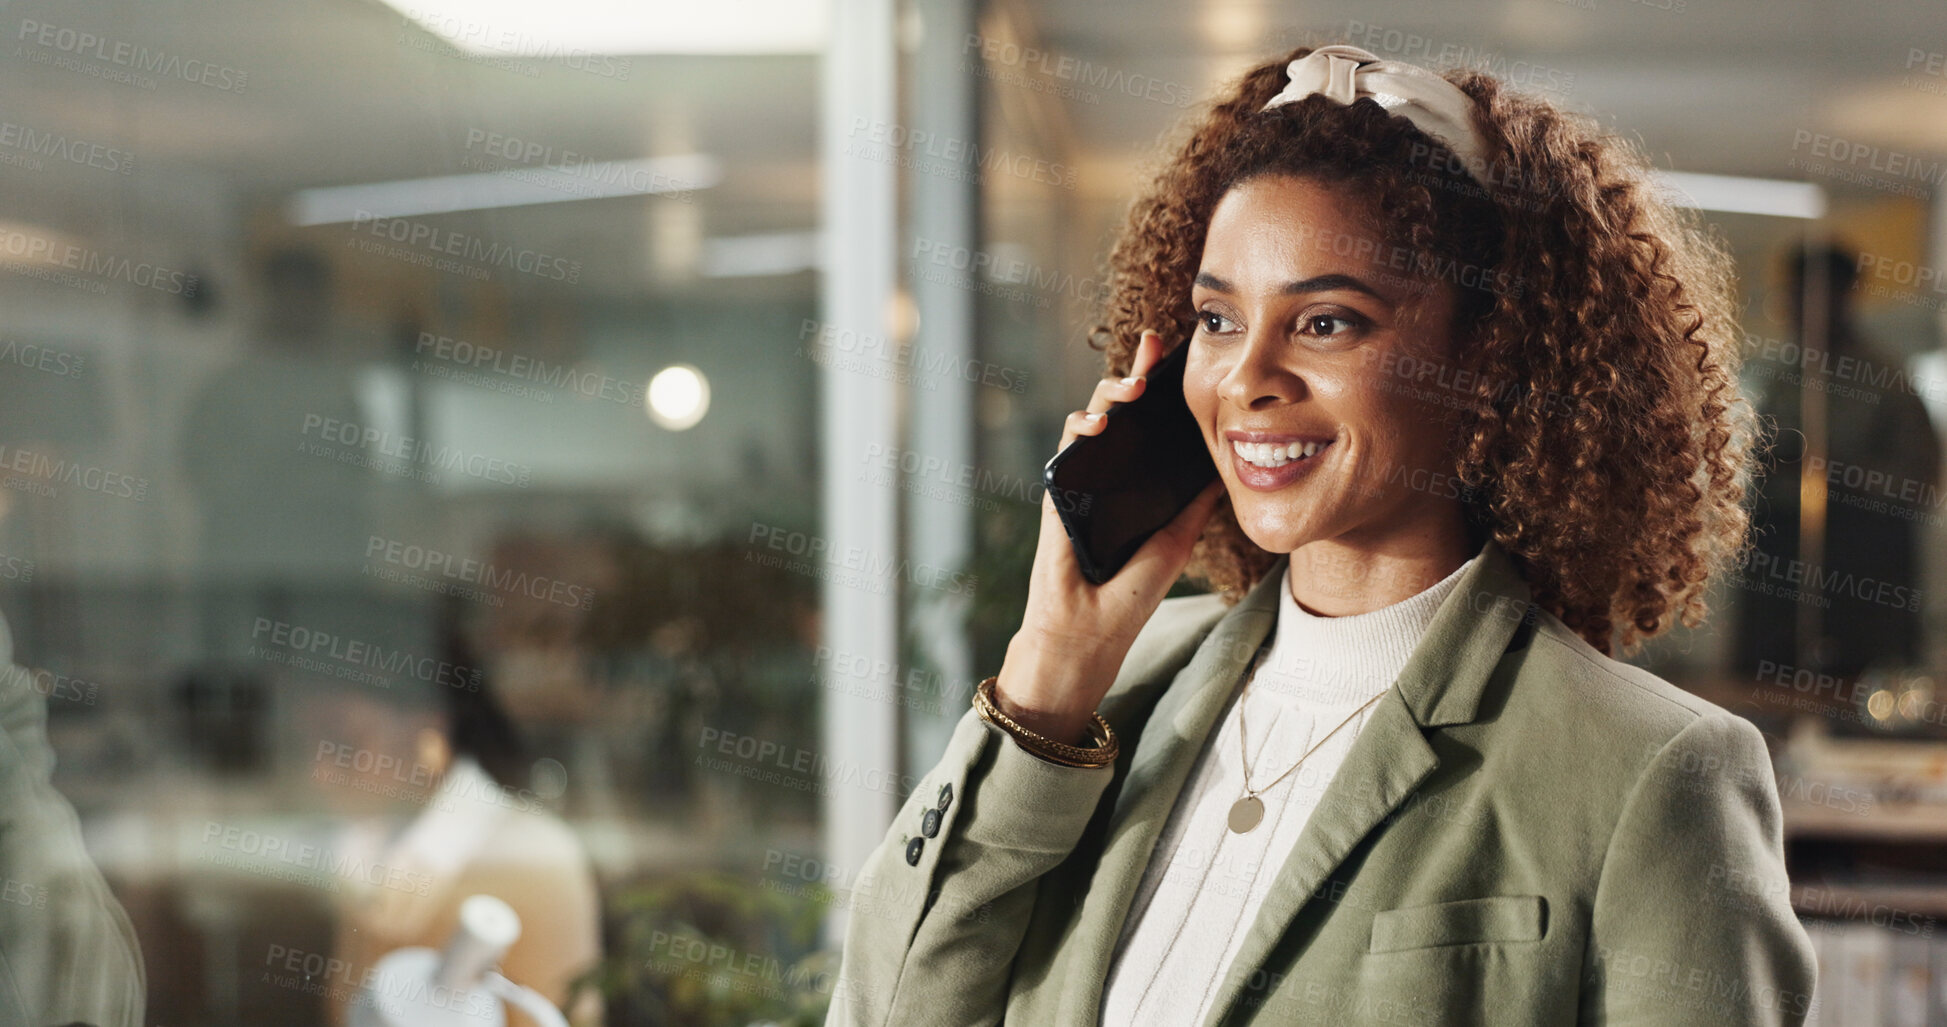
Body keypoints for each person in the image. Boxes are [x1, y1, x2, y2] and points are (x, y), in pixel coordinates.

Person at [828, 43, 1817, 1025]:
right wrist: (1052, 665)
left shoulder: (1652, 771)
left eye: (1327, 322)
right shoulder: (1100, 701)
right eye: (1217, 319)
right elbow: (887, 1006)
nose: (1247, 377)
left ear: (1486, 352)